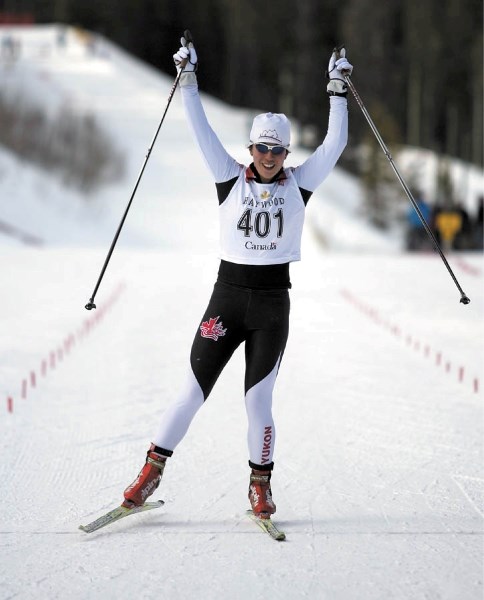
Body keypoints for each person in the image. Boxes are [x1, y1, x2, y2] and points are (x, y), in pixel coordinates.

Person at [122, 36, 353, 519]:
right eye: (263, 147)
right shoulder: (228, 177)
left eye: (278, 150)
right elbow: (199, 126)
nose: (270, 156)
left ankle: (260, 487)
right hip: (226, 299)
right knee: (191, 390)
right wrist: (188, 78)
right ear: (250, 147)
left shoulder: (300, 186)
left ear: (287, 153)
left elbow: (336, 144)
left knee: (259, 402)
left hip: (271, 306)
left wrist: (336, 90)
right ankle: (148, 475)